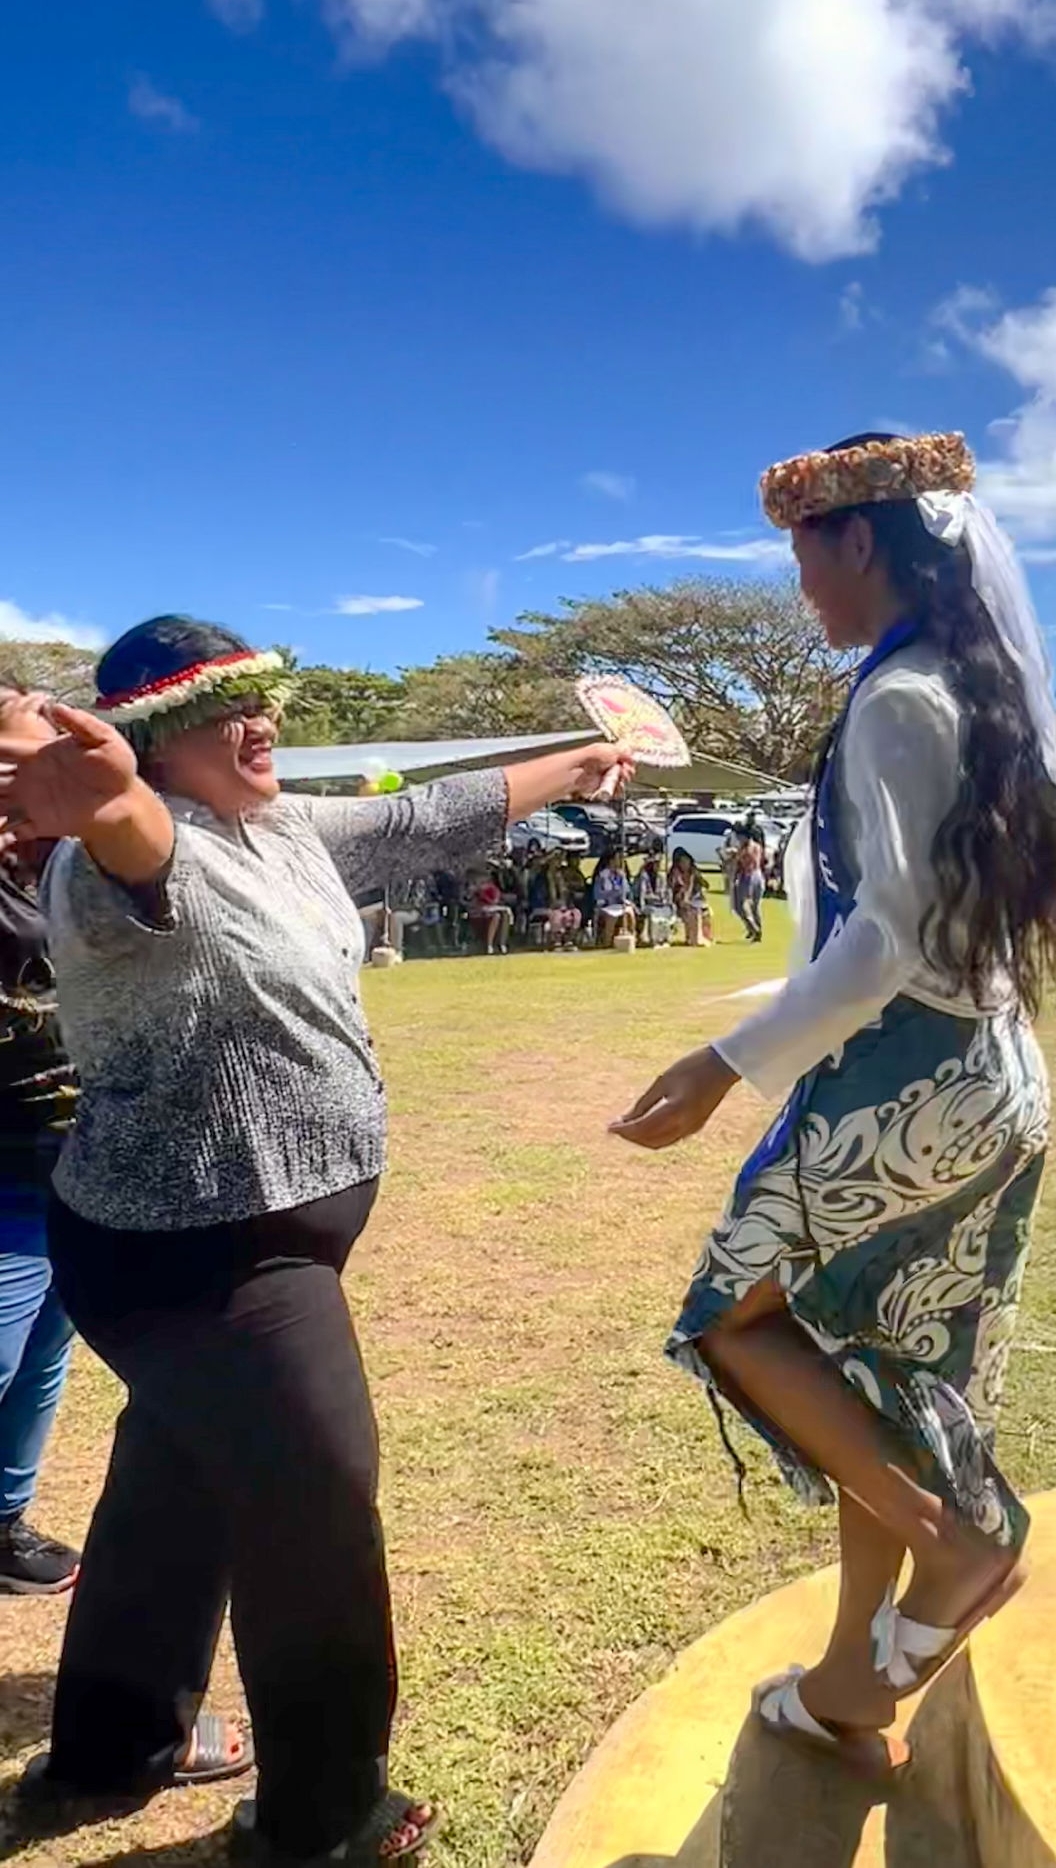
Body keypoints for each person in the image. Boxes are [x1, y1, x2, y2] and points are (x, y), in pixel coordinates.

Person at [0, 616, 628, 1865]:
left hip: (256, 1242)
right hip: (199, 1258)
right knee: (318, 1508)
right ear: (150, 743)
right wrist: (110, 798)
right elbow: (136, 843)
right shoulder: (121, 858)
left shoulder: (280, 826)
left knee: (176, 1488)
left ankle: (113, 1749)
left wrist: (581, 762)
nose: (262, 723)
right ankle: (325, 1819)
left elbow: (422, 819)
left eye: (265, 699)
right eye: (223, 711)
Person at [611, 432, 1056, 1773]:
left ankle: (961, 1548)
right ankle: (849, 1682)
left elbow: (880, 941)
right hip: (996, 1071)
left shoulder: (894, 701)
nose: (802, 589)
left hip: (907, 1075)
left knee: (734, 1321)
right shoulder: (967, 688)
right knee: (884, 1371)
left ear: (856, 540)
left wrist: (724, 1064)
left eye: (805, 556)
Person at [0, 680, 80, 1596]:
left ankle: (5, 1520)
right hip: (5, 1165)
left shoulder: (78, 856)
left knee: (42, 1352)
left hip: (77, 1157)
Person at [732, 819, 767, 943]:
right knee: (755, 907)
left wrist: (735, 857)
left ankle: (754, 928)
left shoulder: (746, 849)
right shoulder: (757, 846)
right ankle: (756, 930)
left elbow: (743, 864)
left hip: (748, 877)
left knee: (738, 905)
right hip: (758, 875)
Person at [668, 852, 713, 947]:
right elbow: (679, 891)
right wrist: (684, 899)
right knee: (692, 912)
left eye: (687, 861)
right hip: (679, 903)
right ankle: (695, 939)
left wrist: (698, 877)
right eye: (682, 862)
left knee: (706, 912)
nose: (685, 864)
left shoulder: (693, 873)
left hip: (694, 901)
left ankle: (704, 937)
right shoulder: (676, 874)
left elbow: (706, 885)